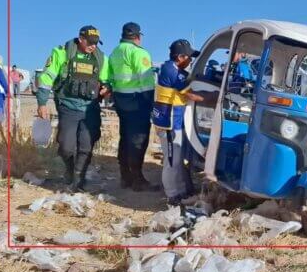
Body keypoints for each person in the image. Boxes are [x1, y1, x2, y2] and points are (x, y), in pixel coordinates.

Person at [36, 25, 111, 192]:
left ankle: (79, 178)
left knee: (86, 146)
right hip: (68, 106)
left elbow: (106, 79)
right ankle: (69, 169)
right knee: (66, 146)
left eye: (96, 43)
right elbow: (47, 77)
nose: (93, 46)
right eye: (90, 42)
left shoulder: (100, 58)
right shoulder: (62, 53)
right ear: (80, 39)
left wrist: (107, 88)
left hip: (90, 109)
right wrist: (42, 103)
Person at [152, 39, 213, 206]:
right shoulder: (171, 71)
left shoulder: (173, 69)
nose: (190, 61)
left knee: (177, 159)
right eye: (189, 57)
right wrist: (215, 99)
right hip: (169, 123)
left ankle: (181, 190)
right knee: (172, 161)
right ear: (180, 57)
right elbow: (191, 94)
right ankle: (172, 195)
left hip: (174, 121)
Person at [108, 22, 159, 191]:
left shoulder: (115, 52)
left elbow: (111, 77)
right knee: (138, 140)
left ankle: (125, 177)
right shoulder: (138, 53)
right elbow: (146, 80)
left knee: (125, 138)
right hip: (138, 102)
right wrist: (151, 103)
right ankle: (138, 179)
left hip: (122, 102)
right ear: (138, 37)